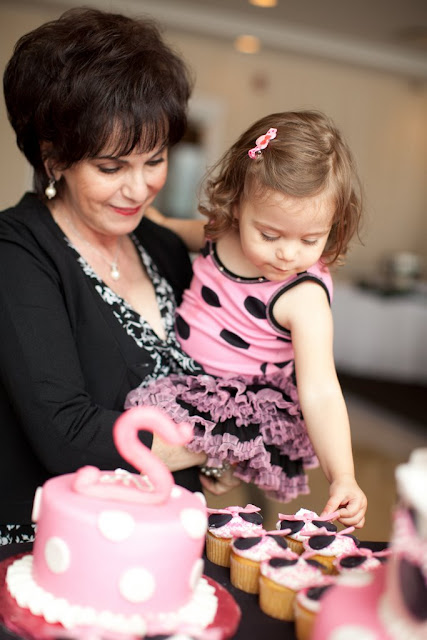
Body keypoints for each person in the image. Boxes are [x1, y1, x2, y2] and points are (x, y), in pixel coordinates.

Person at [0, 7, 240, 544]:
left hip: (162, 539)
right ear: (54, 158)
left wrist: (216, 456)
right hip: (52, 548)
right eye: (111, 167)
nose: (138, 189)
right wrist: (231, 437)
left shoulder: (162, 248)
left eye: (154, 160)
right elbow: (70, 436)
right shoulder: (17, 252)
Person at [126, 110, 368, 528]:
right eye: (269, 235)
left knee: (166, 470)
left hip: (241, 401)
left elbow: (321, 390)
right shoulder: (221, 233)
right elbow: (173, 230)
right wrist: (153, 220)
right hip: (182, 373)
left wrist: (342, 475)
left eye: (310, 239)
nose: (287, 253)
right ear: (236, 207)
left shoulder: (303, 296)